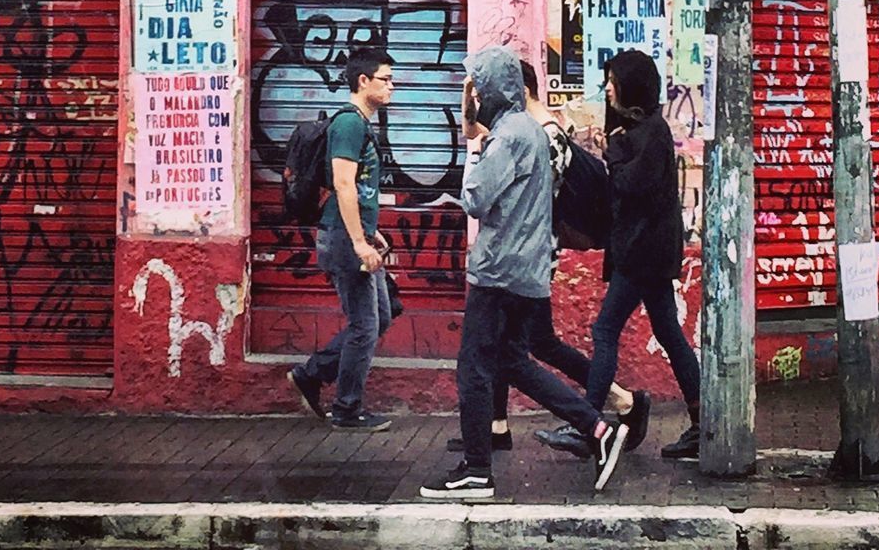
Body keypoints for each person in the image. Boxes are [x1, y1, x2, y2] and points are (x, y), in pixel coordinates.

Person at [420, 46, 628, 501]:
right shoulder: (527, 129)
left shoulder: (506, 137)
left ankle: (476, 471)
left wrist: (471, 141)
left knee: (473, 368)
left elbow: (474, 199)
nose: (467, 93)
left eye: (472, 85)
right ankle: (596, 427)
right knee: (512, 360)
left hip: (498, 272)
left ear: (489, 88)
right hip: (526, 269)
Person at [541, 49, 701, 460]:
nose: (607, 87)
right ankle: (704, 424)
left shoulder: (651, 132)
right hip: (643, 250)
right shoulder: (639, 130)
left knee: (604, 330)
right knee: (669, 334)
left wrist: (611, 153)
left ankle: (589, 424)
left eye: (613, 79)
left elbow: (632, 186)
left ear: (632, 84)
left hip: (643, 253)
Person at [286, 48, 396, 431]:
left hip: (352, 233)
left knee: (380, 316)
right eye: (385, 79)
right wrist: (360, 244)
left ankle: (312, 374)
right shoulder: (349, 124)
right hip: (344, 240)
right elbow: (344, 184)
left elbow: (358, 191)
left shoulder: (361, 124)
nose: (392, 86)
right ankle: (347, 409)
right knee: (365, 324)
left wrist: (371, 231)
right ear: (363, 81)